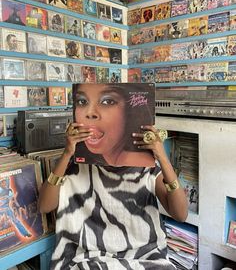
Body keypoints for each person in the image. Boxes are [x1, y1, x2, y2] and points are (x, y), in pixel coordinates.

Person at [39, 83, 188, 269]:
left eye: (108, 101)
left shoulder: (145, 169)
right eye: (83, 101)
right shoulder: (77, 167)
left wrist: (162, 157)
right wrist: (67, 153)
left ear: (130, 116)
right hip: (90, 260)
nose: (90, 113)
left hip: (145, 259)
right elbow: (45, 206)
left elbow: (180, 214)